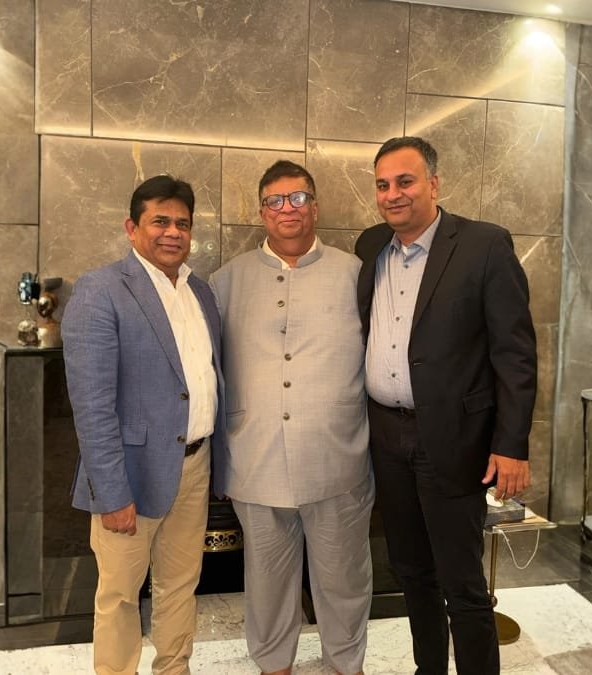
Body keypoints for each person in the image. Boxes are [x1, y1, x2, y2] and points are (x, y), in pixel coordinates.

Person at [355, 137, 537, 674]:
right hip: (386, 436)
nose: (393, 194)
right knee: (411, 570)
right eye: (383, 185)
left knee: (462, 582)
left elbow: (515, 354)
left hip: (454, 439)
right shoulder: (371, 247)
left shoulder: (484, 245)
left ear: (434, 183)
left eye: (405, 181)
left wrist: (511, 445)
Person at [210, 160, 372, 675]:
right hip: (254, 460)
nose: (288, 209)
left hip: (339, 459)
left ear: (315, 207)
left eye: (298, 198)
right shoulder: (225, 281)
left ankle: (345, 665)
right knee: (266, 580)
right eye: (275, 201)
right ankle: (273, 665)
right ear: (261, 212)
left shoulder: (356, 275)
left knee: (344, 579)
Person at [62, 175, 227, 675]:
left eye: (182, 223)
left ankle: (175, 668)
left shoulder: (201, 292)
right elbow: (92, 405)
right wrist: (112, 493)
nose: (172, 232)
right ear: (132, 228)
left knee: (181, 586)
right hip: (130, 473)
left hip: (194, 466)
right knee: (119, 594)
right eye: (160, 221)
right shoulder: (101, 290)